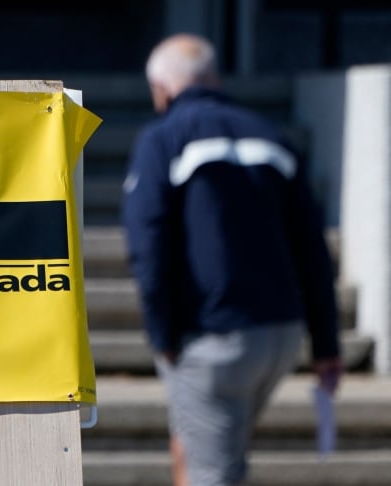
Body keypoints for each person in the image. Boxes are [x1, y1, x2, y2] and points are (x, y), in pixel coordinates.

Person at [120, 33, 344, 486]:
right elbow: (312, 249)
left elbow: (147, 240)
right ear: (214, 79)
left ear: (161, 89)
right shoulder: (271, 136)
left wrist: (161, 331)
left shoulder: (163, 138)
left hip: (212, 337)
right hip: (278, 335)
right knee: (203, 444)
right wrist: (326, 345)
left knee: (214, 471)